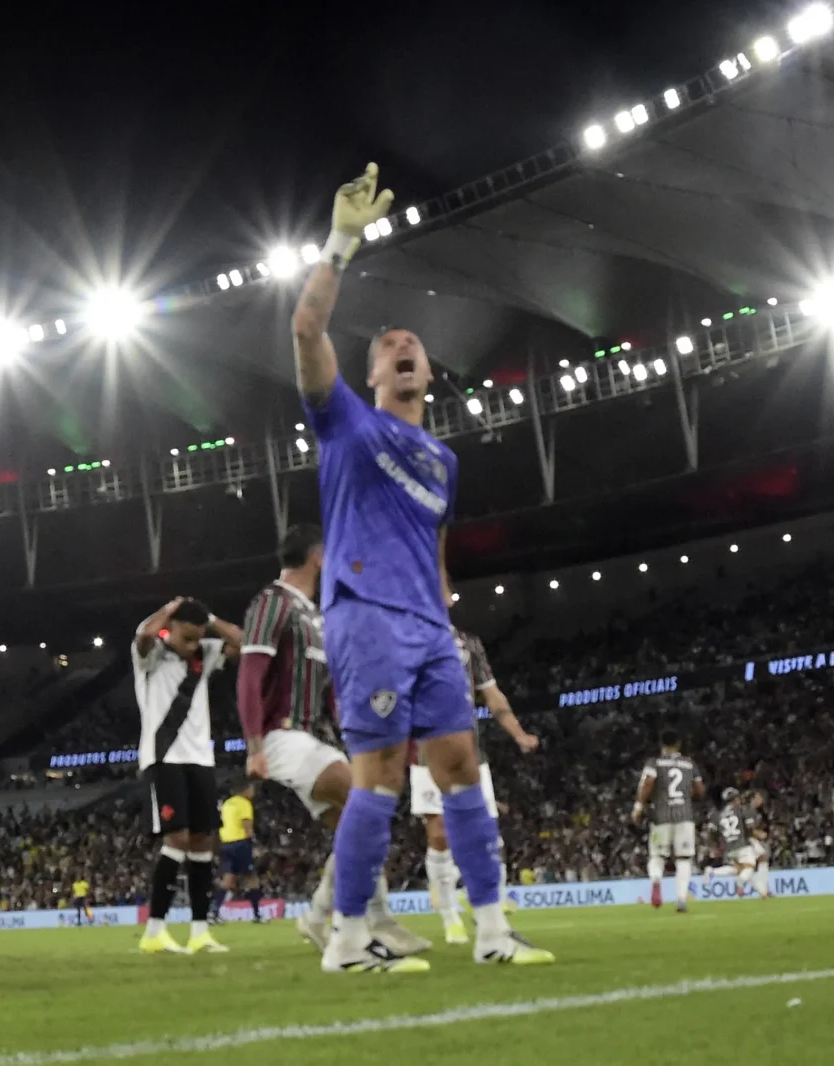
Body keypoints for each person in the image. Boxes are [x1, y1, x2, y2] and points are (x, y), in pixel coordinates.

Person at [291, 162, 552, 973]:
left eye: (414, 346)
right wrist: (340, 243)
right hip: (364, 614)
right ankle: (345, 943)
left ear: (430, 373)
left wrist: (442, 611)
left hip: (429, 628)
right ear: (369, 375)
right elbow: (305, 331)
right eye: (388, 347)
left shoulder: (441, 459)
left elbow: (437, 546)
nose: (403, 348)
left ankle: (492, 932)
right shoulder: (345, 426)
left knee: (463, 770)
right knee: (378, 778)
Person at [237, 523, 428, 955]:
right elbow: (250, 676)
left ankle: (319, 916)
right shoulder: (272, 602)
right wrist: (253, 747)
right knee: (367, 800)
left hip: (318, 738)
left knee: (360, 826)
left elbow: (332, 695)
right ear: (319, 555)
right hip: (283, 737)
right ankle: (365, 923)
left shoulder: (318, 617)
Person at [412, 604, 538, 945]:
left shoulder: (469, 643)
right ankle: (450, 916)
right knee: (438, 834)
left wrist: (518, 733)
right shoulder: (408, 638)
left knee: (485, 830)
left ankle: (490, 903)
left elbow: (492, 694)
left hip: (470, 748)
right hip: (426, 750)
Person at [133, 596, 243, 956]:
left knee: (203, 842)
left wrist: (209, 618)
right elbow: (144, 635)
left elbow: (244, 642)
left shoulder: (205, 653)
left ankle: (199, 932)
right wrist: (169, 609)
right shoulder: (151, 655)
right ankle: (155, 930)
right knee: (176, 838)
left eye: (199, 639)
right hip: (164, 757)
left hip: (200, 759)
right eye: (187, 638)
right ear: (171, 630)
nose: (194, 646)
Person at [633, 728, 704, 912]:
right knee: (684, 859)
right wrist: (688, 794)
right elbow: (700, 789)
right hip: (685, 816)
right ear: (678, 744)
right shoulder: (689, 764)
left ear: (661, 745)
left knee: (657, 855)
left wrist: (639, 807)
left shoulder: (654, 762)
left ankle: (656, 881)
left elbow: (648, 783)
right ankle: (681, 900)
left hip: (661, 816)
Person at [212, 780, 262, 923]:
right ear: (245, 790)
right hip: (241, 843)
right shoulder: (244, 803)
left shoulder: (227, 803)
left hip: (226, 844)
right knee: (251, 878)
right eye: (252, 788)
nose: (253, 792)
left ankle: (213, 913)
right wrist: (254, 844)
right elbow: (247, 825)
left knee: (227, 879)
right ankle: (257, 915)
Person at [705, 788, 768, 898]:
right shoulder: (741, 810)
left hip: (728, 847)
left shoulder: (719, 814)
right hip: (742, 844)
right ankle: (740, 882)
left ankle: (712, 872)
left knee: (737, 869)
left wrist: (715, 846)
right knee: (749, 867)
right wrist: (758, 833)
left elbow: (712, 832)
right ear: (735, 799)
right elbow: (749, 827)